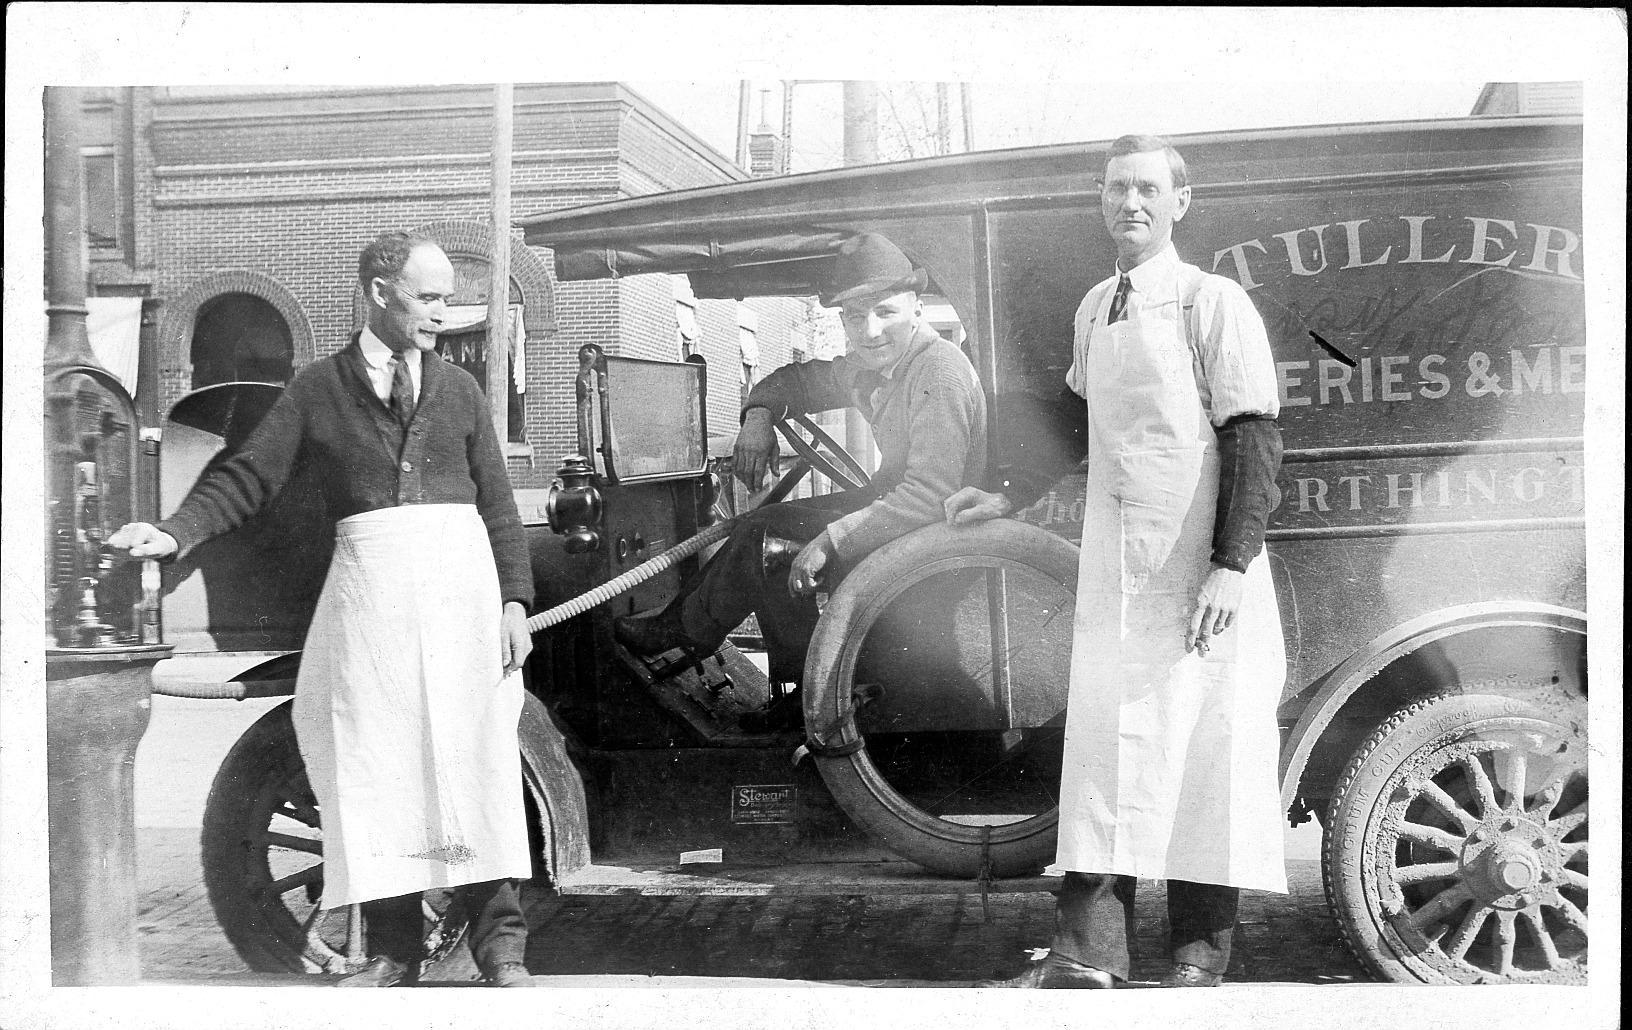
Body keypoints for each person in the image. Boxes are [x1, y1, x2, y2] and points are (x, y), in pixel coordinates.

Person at [109, 232, 538, 989]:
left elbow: (499, 508)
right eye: (430, 297)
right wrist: (172, 534)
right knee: (382, 775)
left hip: (459, 601)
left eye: (446, 297)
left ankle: (503, 951)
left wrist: (513, 602)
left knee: (477, 765)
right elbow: (246, 478)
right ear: (380, 291)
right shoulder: (316, 390)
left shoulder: (463, 393)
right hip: (369, 609)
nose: (445, 312)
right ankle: (399, 950)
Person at [945, 135, 1287, 988]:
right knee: (1106, 749)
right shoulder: (1097, 306)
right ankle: (1087, 955)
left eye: (1145, 189)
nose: (1127, 203)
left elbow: (1254, 439)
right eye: (1113, 189)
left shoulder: (1213, 305)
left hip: (1199, 576)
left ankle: (1198, 961)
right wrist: (1006, 495)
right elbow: (1073, 421)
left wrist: (1229, 567)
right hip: (1115, 570)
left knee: (1205, 748)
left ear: (1180, 202)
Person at [614, 232, 988, 730]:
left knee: (771, 539)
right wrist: (759, 415)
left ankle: (699, 638)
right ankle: (778, 677)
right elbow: (799, 382)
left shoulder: (937, 375)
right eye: (855, 317)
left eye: (885, 312)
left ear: (916, 308)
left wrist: (829, 541)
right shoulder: (880, 364)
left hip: (940, 538)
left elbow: (930, 494)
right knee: (770, 527)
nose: (870, 330)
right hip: (905, 514)